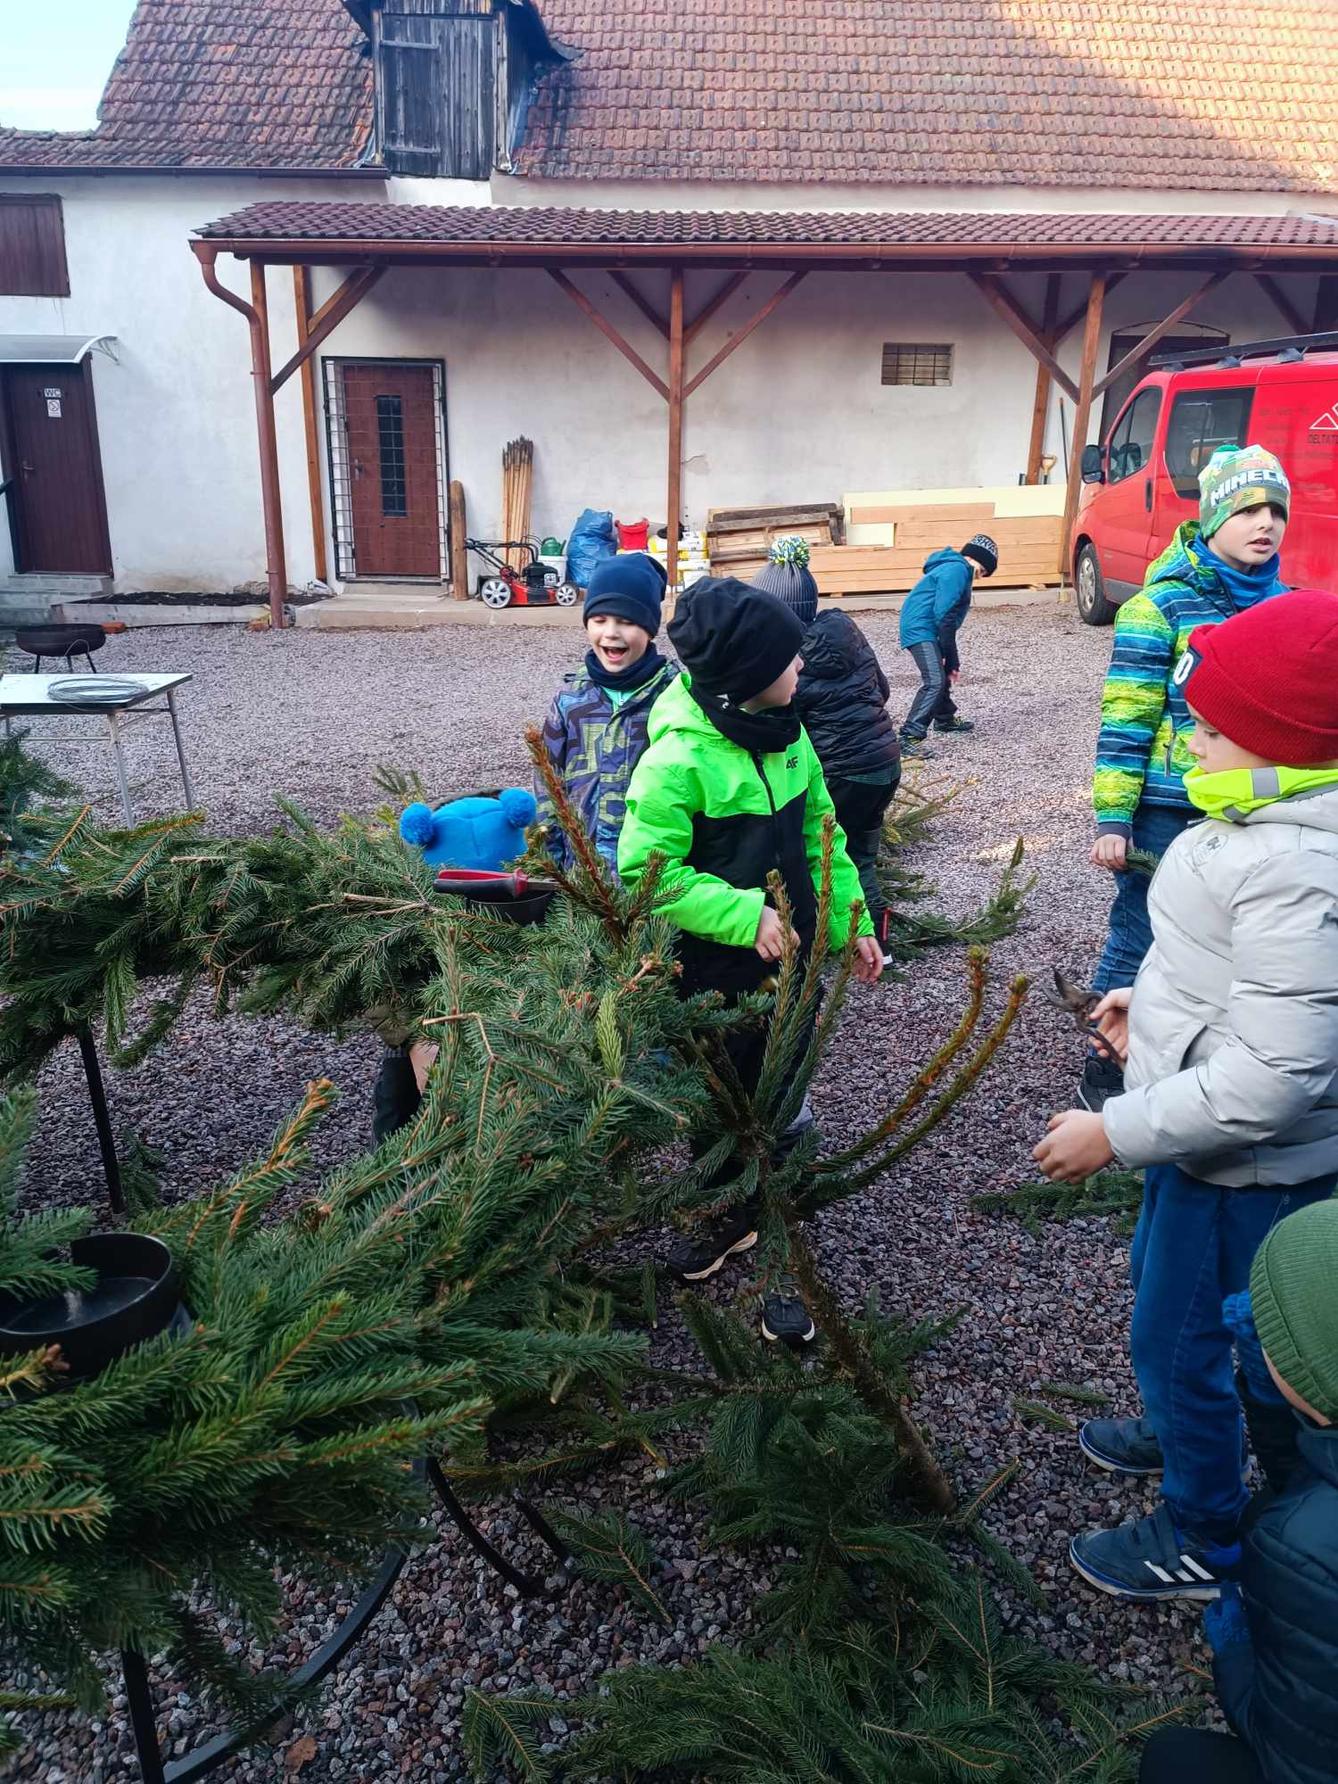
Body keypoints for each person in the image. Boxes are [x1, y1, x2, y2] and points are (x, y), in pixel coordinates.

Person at [1034, 589, 1338, 1602]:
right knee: (1177, 1319)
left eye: (1207, 726)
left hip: (1238, 1169)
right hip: (1200, 1146)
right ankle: (1180, 1433)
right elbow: (1233, 981)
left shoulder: (1298, 861)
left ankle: (1207, 1533)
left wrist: (1114, 1129)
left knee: (1188, 1336)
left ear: (1278, 740)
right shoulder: (1257, 817)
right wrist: (1147, 1008)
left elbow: (1274, 1075)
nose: (1186, 741)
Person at [618, 577, 882, 1344]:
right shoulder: (677, 762)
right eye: (788, 659)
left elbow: (822, 835)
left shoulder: (790, 735)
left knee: (784, 1095)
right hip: (711, 977)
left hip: (792, 969)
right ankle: (725, 1210)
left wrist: (851, 921)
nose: (802, 667)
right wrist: (741, 914)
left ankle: (780, 1234)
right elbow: (645, 874)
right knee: (719, 1100)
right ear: (744, 678)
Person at [1083, 444, 1290, 1111]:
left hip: (1258, 807)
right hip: (1169, 811)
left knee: (1234, 940)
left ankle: (1205, 1056)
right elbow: (1125, 720)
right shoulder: (1157, 608)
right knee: (1143, 931)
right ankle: (1107, 1063)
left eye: (1275, 511)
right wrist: (1114, 820)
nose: (1266, 524)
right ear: (1213, 517)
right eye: (1248, 509)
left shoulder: (1284, 605)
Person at [1138, 1198, 1338, 1784]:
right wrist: (1273, 1396)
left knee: (1173, 1761)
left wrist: (1238, 1656)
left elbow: (1296, 1758)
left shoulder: (1299, 1548)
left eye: (1272, 1331)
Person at [753, 539, 901, 966]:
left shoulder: (787, 659)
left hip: (842, 775)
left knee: (833, 857)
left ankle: (838, 939)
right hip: (884, 764)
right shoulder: (847, 633)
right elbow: (884, 690)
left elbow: (782, 721)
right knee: (864, 857)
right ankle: (878, 945)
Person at [534, 552, 678, 877]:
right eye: (600, 620)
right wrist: (551, 867)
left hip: (655, 883)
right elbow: (547, 784)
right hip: (582, 877)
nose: (611, 632)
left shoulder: (674, 698)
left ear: (650, 629)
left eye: (626, 621)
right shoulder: (570, 701)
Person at [897, 533, 998, 753]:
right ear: (977, 560)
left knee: (940, 674)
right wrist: (952, 657)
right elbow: (944, 616)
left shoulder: (955, 568)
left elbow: (944, 617)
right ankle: (908, 736)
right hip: (920, 629)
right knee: (934, 679)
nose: (979, 578)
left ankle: (944, 718)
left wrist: (948, 657)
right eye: (982, 572)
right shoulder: (957, 570)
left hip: (926, 627)